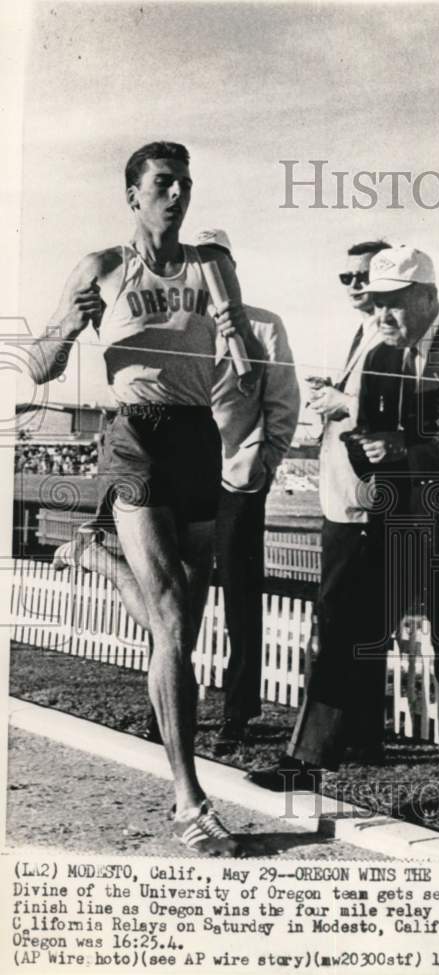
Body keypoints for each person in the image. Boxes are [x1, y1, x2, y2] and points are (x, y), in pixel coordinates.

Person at [31, 141, 263, 857]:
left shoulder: (212, 264)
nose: (177, 194)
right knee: (169, 623)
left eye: (185, 183)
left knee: (182, 629)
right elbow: (39, 367)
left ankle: (99, 559)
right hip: (136, 436)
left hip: (198, 437)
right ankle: (190, 800)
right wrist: (68, 327)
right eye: (164, 183)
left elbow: (249, 372)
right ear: (133, 195)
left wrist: (239, 339)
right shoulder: (102, 266)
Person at [251, 239, 391, 792]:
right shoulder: (365, 333)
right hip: (344, 498)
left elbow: (397, 412)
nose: (355, 286)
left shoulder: (390, 339)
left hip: (364, 503)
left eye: (364, 276)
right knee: (360, 627)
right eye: (347, 277)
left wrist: (343, 403)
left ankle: (308, 758)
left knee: (338, 625)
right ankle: (361, 735)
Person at [350, 244, 439, 837]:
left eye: (394, 303)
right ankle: (308, 757)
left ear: (428, 296)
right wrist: (368, 449)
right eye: (375, 303)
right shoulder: (379, 354)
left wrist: (407, 447)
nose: (382, 316)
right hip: (396, 522)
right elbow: (368, 436)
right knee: (348, 624)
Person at [195, 228, 301, 755]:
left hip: (238, 478)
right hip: (184, 476)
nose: (210, 275)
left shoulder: (264, 325)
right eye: (199, 264)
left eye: (218, 264)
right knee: (176, 595)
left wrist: (263, 462)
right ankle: (166, 704)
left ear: (233, 269)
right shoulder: (175, 327)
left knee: (240, 596)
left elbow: (283, 403)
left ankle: (238, 713)